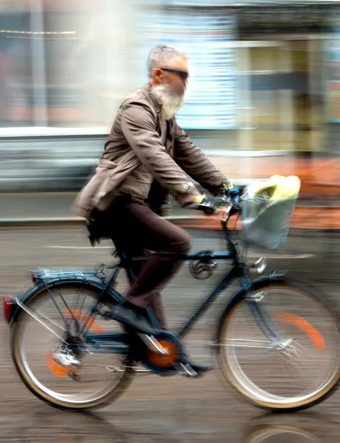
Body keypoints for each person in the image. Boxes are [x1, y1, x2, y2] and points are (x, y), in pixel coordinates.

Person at [72, 44, 232, 373]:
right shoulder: (137, 109)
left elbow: (188, 153)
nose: (186, 83)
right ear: (159, 74)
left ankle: (163, 350)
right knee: (177, 243)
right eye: (182, 75)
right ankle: (131, 310)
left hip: (138, 205)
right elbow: (154, 156)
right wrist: (193, 196)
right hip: (117, 203)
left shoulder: (164, 115)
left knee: (147, 275)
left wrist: (225, 187)